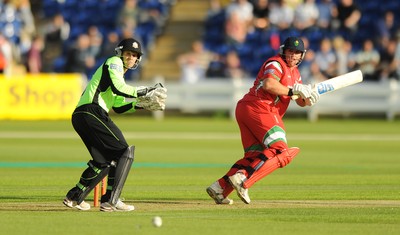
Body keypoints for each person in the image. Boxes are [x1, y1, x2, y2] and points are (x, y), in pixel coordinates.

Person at [206, 36, 320, 204]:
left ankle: (220, 188)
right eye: (290, 51)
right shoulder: (276, 63)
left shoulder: (295, 73)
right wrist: (291, 91)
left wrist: (308, 98)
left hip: (249, 109)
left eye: (297, 52)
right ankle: (244, 180)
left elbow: (299, 100)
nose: (293, 55)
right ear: (283, 51)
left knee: (255, 156)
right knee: (280, 150)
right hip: (260, 108)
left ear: (302, 55)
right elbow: (269, 84)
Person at [63, 38, 167, 212]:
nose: (131, 57)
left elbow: (118, 106)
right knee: (125, 152)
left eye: (134, 55)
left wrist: (140, 105)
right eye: (128, 53)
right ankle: (112, 200)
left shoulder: (119, 73)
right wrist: (144, 90)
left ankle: (74, 197)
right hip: (91, 111)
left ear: (137, 60)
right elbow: (120, 88)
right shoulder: (114, 62)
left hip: (83, 116)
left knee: (104, 162)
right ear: (120, 53)